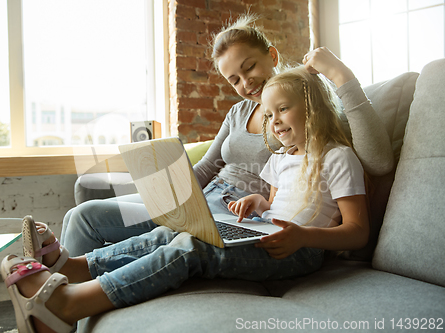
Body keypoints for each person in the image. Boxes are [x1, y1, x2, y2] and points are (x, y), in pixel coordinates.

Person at [2, 64, 369, 333]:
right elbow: (275, 204)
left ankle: (67, 306)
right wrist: (259, 206)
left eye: (282, 110)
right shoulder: (281, 158)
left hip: (300, 253)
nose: (273, 122)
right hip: (265, 233)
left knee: (192, 247)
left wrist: (304, 236)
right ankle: (76, 267)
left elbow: (357, 231)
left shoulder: (338, 157)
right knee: (170, 234)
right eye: (270, 114)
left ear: (315, 107)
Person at [59, 14, 392, 257]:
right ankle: (57, 302)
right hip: (202, 197)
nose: (245, 83)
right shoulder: (238, 113)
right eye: (234, 79)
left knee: (129, 236)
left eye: (249, 67)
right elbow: (207, 167)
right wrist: (166, 190)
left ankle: (60, 299)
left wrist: (341, 75)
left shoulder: (303, 113)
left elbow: (377, 160)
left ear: (271, 56)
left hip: (233, 208)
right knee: (83, 217)